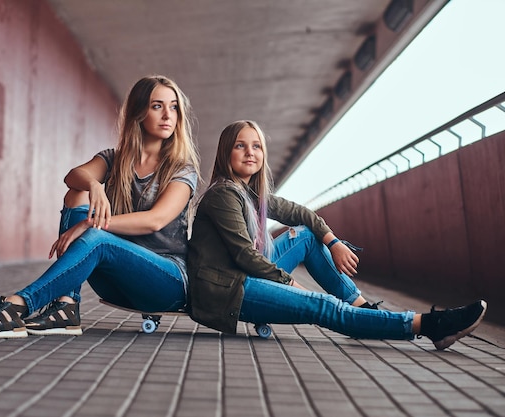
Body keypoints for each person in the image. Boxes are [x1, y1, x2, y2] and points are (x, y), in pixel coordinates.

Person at [186, 120, 486, 350]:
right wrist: (290, 283)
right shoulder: (224, 194)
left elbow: (303, 214)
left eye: (256, 146)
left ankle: (362, 310)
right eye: (240, 146)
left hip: (244, 275)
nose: (250, 152)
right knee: (320, 305)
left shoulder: (251, 193)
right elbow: (244, 256)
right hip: (228, 290)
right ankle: (429, 325)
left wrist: (334, 242)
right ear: (226, 152)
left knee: (304, 235)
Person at [0, 75, 200, 339]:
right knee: (76, 194)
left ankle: (17, 306)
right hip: (121, 284)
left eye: (174, 107)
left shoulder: (182, 169)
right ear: (139, 112)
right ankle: (65, 308)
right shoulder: (116, 159)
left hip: (167, 283)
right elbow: (73, 176)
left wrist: (89, 224)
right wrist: (96, 185)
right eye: (157, 106)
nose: (168, 115)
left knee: (98, 238)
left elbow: (155, 220)